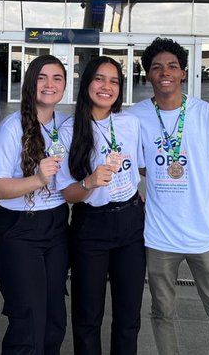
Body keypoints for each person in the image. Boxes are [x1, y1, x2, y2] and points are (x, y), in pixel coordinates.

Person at [129, 37, 209, 355]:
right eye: (156, 67)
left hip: (206, 238)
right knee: (162, 314)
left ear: (183, 73)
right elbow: (134, 166)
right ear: (148, 75)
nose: (165, 72)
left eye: (172, 66)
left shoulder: (208, 115)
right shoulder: (135, 117)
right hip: (159, 239)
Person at [57, 56, 146, 355]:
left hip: (132, 225)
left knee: (128, 316)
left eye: (114, 81)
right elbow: (68, 194)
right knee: (87, 317)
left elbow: (139, 168)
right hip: (91, 226)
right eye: (99, 79)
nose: (106, 87)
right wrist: (89, 183)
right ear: (86, 84)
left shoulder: (130, 123)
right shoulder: (69, 131)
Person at [0, 54, 71, 355]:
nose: (49, 84)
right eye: (42, 77)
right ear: (30, 83)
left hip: (57, 227)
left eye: (57, 78)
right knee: (28, 320)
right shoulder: (12, 128)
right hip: (20, 229)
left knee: (55, 319)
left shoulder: (66, 123)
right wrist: (37, 179)